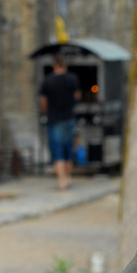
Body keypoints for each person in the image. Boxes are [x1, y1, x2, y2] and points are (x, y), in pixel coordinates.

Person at [39, 53, 80, 190]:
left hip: (55, 119)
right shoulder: (72, 79)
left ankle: (61, 181)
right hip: (69, 117)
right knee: (68, 149)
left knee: (57, 151)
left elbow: (43, 101)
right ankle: (68, 179)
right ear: (65, 65)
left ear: (54, 65)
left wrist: (46, 113)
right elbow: (77, 95)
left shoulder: (48, 81)